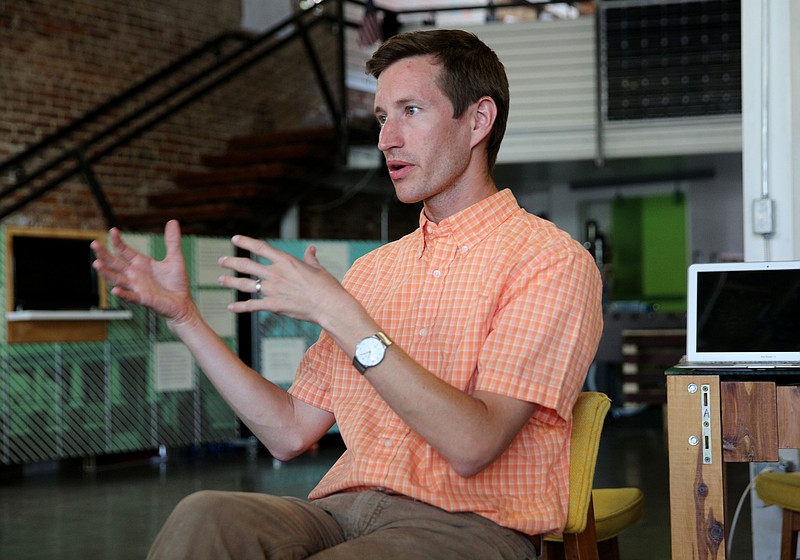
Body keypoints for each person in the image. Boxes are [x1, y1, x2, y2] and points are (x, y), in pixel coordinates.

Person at [91, 29, 603, 560]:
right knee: (205, 514)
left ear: (478, 120)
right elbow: (289, 431)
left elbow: (474, 445)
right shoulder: (374, 270)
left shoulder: (549, 259)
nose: (386, 139)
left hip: (466, 525)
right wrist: (185, 317)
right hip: (344, 510)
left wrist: (340, 313)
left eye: (410, 110)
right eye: (383, 117)